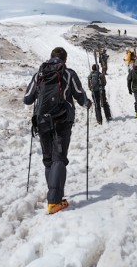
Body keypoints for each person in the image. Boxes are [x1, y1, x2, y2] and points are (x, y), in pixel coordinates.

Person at [23, 47, 91, 215]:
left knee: (48, 160)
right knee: (59, 158)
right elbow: (79, 95)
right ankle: (54, 201)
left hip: (42, 121)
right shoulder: (68, 73)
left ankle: (54, 195)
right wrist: (87, 103)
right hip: (62, 121)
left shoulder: (39, 74)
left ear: (51, 57)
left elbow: (27, 99)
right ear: (65, 60)